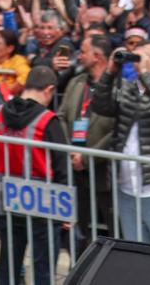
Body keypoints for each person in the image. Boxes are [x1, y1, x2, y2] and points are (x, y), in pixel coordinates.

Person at [93, 41, 150, 247]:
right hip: (127, 189)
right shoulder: (128, 88)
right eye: (136, 57)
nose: (139, 62)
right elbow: (100, 106)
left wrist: (145, 74)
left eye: (146, 57)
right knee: (136, 256)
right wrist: (110, 71)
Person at [0, 66, 68, 285]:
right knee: (43, 268)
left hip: (5, 198)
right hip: (44, 202)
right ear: (50, 89)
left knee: (8, 264)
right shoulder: (47, 120)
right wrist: (66, 209)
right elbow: (61, 165)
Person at [58, 33, 117, 251]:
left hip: (105, 171)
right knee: (83, 230)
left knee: (114, 230)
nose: (78, 56)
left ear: (98, 56)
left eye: (83, 52)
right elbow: (62, 116)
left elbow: (117, 130)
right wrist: (71, 151)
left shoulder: (117, 85)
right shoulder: (76, 82)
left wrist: (87, 157)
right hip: (76, 167)